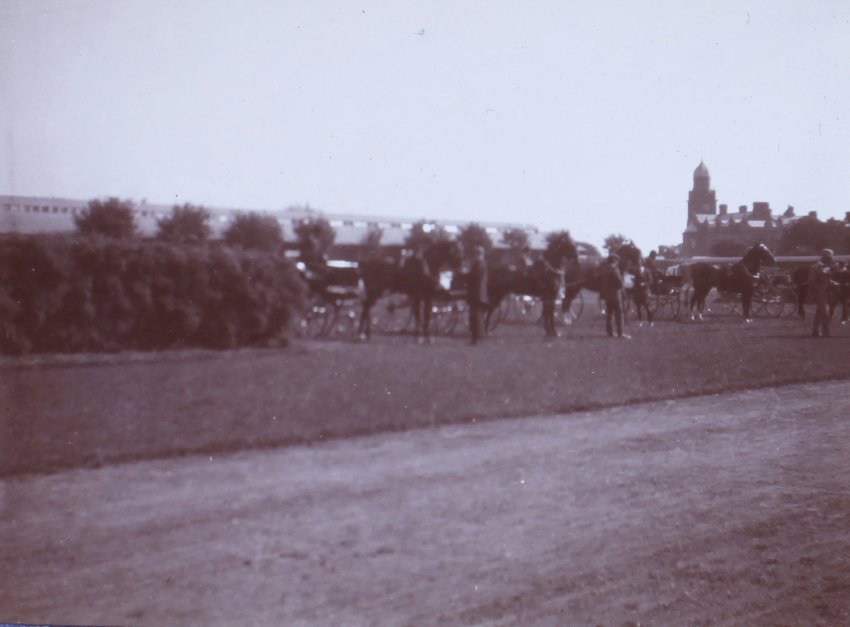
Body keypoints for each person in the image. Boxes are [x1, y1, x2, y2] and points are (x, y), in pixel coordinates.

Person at [600, 254, 630, 339]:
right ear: (615, 261)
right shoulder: (614, 269)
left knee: (609, 313)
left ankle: (609, 332)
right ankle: (620, 333)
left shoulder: (605, 269)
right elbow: (619, 282)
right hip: (615, 295)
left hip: (607, 295)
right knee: (619, 313)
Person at [808, 248, 834, 337]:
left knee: (819, 312)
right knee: (825, 313)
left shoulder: (826, 267)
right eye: (829, 257)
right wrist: (818, 289)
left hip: (825, 292)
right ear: (825, 257)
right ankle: (826, 332)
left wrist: (832, 283)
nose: (831, 259)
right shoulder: (816, 267)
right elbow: (811, 281)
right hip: (819, 292)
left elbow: (827, 280)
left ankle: (815, 331)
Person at [466, 245, 489, 344]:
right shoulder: (480, 263)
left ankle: (477, 338)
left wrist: (465, 275)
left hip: (477, 293)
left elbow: (475, 277)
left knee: (476, 316)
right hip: (479, 293)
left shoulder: (479, 264)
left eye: (474, 254)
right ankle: (477, 337)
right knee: (476, 316)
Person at [631, 260, 653, 327]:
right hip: (638, 292)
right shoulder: (635, 272)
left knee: (647, 307)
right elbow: (635, 281)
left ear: (642, 265)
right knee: (638, 307)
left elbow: (651, 281)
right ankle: (640, 321)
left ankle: (650, 321)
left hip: (645, 291)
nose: (638, 266)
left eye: (639, 265)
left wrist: (644, 284)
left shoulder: (647, 271)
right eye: (637, 265)